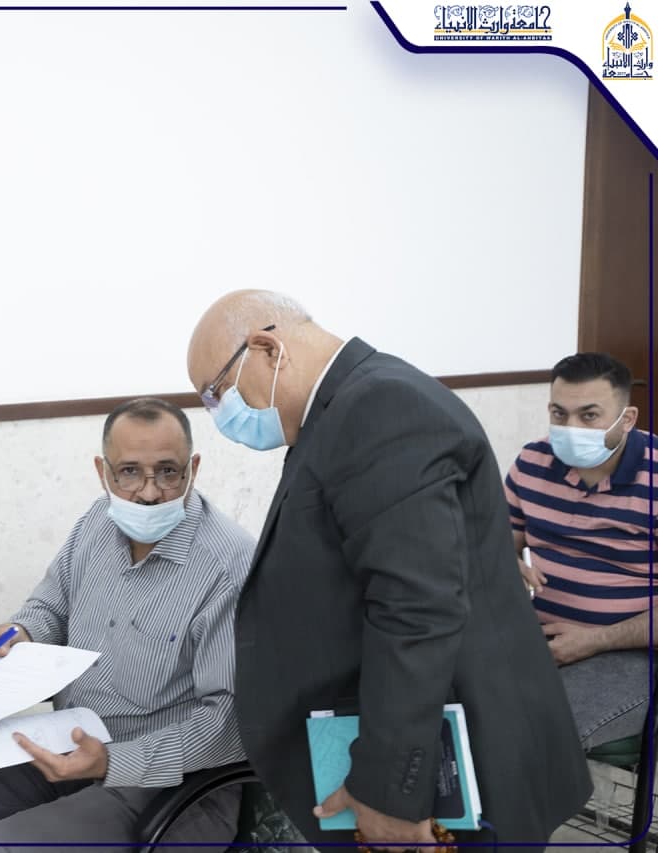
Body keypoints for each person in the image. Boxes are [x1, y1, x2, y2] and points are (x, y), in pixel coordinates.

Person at [186, 290, 591, 852]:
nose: (219, 415)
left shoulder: (378, 409)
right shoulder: (338, 411)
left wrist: (388, 791)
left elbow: (417, 608)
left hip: (449, 769)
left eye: (216, 393)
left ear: (267, 349)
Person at [0, 397, 255, 850]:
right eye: (129, 472)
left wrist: (111, 762)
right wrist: (19, 634)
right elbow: (51, 607)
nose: (149, 493)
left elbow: (226, 725)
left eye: (168, 472)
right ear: (103, 472)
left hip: (170, 782)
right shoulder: (96, 525)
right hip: (71, 744)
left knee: (2, 846)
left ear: (194, 468)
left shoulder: (227, 566)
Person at [504, 352, 656, 749]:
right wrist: (504, 562)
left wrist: (595, 640)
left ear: (627, 418)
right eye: (559, 413)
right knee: (446, 701)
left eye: (589, 416)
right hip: (535, 634)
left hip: (630, 650)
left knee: (534, 737)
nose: (570, 429)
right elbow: (497, 542)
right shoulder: (532, 462)